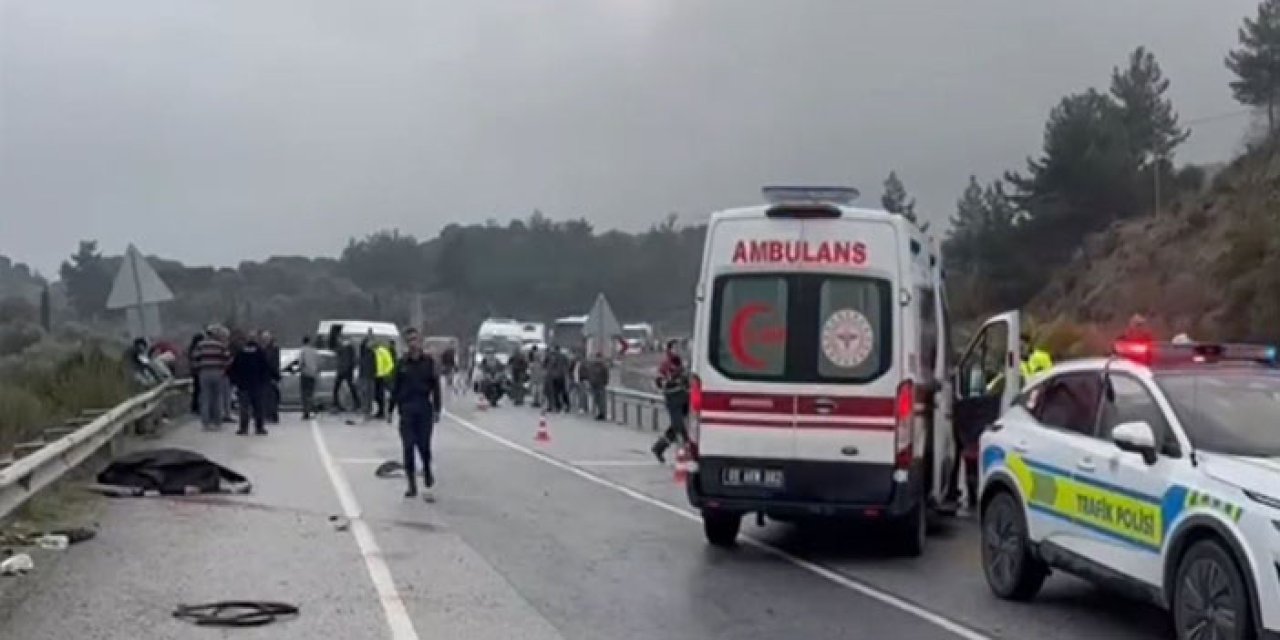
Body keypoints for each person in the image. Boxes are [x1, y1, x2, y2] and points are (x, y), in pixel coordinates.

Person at [388, 329, 442, 500]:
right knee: (408, 446)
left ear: (420, 343)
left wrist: (437, 409)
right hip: (406, 409)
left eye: (415, 340)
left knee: (424, 446)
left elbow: (436, 387)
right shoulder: (402, 364)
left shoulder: (428, 363)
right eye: (410, 340)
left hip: (424, 408)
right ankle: (411, 484)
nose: (413, 344)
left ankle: (427, 469)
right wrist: (390, 410)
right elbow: (395, 388)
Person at [228, 333, 276, 436]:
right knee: (258, 407)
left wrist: (235, 381)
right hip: (257, 384)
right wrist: (269, 378)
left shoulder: (240, 353)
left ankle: (243, 428)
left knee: (244, 407)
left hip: (243, 385)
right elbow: (266, 368)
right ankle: (259, 428)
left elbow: (233, 368)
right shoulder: (260, 353)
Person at [651, 344, 690, 462]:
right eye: (674, 348)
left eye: (679, 347)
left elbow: (687, 380)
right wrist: (671, 380)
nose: (678, 350)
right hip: (673, 397)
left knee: (676, 426)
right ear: (669, 350)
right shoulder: (666, 365)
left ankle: (659, 447)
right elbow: (659, 381)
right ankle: (686, 452)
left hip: (684, 397)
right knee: (679, 426)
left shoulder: (682, 363)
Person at [191, 328, 231, 430]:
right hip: (218, 372)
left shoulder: (200, 345)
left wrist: (198, 370)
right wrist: (223, 369)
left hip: (204, 372)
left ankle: (206, 423)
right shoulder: (220, 345)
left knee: (205, 398)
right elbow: (227, 359)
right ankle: (217, 422)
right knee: (217, 398)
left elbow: (195, 358)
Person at [334, 337, 360, 412]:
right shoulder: (349, 348)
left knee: (337, 388)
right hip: (347, 370)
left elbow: (338, 354)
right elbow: (353, 359)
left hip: (344, 370)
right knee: (350, 387)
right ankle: (357, 403)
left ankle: (337, 404)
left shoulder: (344, 348)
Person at [298, 335, 321, 420]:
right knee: (310, 393)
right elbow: (318, 363)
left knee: (304, 394)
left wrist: (301, 369)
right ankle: (313, 407)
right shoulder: (314, 351)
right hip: (313, 375)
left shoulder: (303, 351)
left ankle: (306, 412)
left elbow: (301, 363)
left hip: (305, 374)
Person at [261, 331, 281, 424]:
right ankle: (268, 414)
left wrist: (275, 375)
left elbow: (274, 363)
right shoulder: (263, 349)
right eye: (264, 339)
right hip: (265, 375)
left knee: (272, 396)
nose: (264, 340)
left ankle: (272, 414)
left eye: (266, 339)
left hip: (270, 375)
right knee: (266, 396)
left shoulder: (273, 349)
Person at [585, 351, 610, 421]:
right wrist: (590, 382)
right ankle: (599, 413)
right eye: (597, 358)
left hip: (600, 385)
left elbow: (606, 376)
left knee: (601, 400)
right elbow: (589, 374)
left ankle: (602, 414)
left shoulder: (604, 367)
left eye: (599, 358)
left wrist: (604, 383)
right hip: (594, 385)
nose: (598, 359)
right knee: (596, 400)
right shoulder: (592, 366)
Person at [374, 339, 395, 419]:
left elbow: (390, 364)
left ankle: (382, 412)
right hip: (375, 376)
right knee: (376, 395)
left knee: (380, 394)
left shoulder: (383, 351)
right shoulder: (374, 351)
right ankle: (380, 411)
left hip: (382, 376)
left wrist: (386, 373)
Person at [186, 333, 204, 414]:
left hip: (194, 371)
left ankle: (195, 407)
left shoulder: (192, 348)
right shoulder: (197, 349)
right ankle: (196, 407)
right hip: (198, 371)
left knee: (197, 390)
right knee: (199, 390)